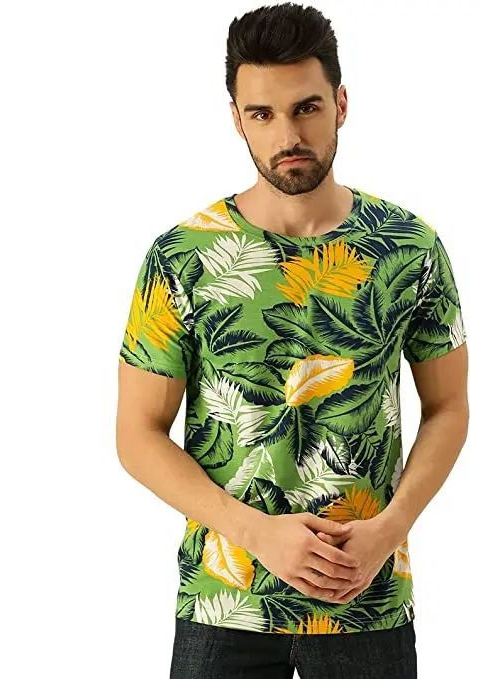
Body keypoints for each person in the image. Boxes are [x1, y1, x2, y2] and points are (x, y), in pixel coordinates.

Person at [116, 3, 469, 677]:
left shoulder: (408, 247)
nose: (288, 134)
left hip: (367, 598)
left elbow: (448, 406)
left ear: (341, 104)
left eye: (306, 108)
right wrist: (255, 533)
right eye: (262, 114)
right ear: (236, 118)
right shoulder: (185, 255)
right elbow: (137, 433)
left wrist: (390, 529)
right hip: (224, 602)